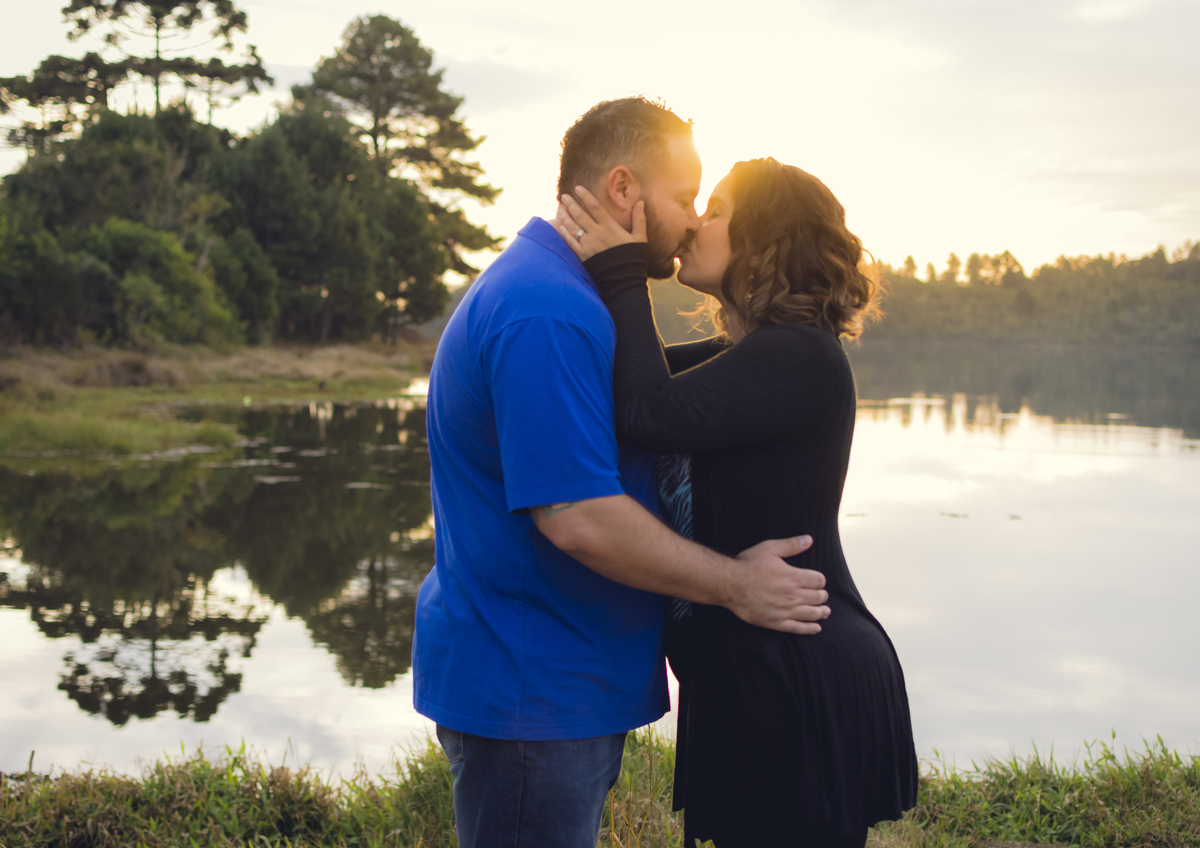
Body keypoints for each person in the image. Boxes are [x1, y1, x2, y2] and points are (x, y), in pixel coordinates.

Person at [411, 98, 833, 848]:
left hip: (555, 683)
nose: (695, 218)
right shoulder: (546, 311)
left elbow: (664, 403)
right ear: (622, 191)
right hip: (532, 691)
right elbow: (577, 516)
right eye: (684, 197)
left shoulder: (564, 297)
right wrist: (738, 584)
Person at [555, 158, 919, 847]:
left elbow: (645, 409)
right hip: (756, 666)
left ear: (765, 243)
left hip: (798, 673)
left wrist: (625, 272)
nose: (694, 223)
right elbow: (631, 379)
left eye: (715, 209)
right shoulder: (748, 354)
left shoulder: (798, 357)